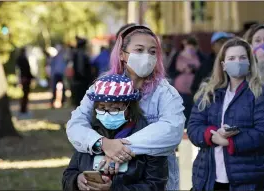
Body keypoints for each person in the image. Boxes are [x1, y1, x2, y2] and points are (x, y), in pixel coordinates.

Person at [66, 25, 185, 190]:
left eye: (152, 52)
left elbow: (172, 130)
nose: (147, 56)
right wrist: (102, 143)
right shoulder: (101, 87)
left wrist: (118, 149)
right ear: (122, 54)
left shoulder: (165, 92)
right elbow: (76, 125)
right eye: (139, 50)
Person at [187, 37, 264, 191]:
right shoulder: (209, 92)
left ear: (249, 62)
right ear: (223, 65)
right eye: (232, 58)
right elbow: (194, 127)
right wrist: (213, 135)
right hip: (208, 177)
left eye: (242, 58)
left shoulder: (260, 93)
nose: (237, 62)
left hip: (247, 179)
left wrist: (230, 142)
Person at [62, 74, 168, 191]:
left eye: (115, 108)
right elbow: (69, 174)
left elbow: (156, 185)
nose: (107, 113)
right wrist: (77, 180)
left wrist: (114, 188)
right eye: (102, 108)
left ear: (130, 107)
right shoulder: (89, 133)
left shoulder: (150, 136)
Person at [244, 23, 264, 191]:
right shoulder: (243, 72)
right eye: (257, 40)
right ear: (250, 45)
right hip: (251, 151)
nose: (263, 44)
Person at [168, 36, 208, 125]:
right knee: (180, 111)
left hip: (195, 90)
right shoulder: (178, 55)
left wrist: (193, 70)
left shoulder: (200, 56)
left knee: (193, 112)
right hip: (179, 90)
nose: (191, 49)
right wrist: (181, 70)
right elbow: (170, 71)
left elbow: (204, 70)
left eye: (193, 47)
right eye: (189, 46)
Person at [71, 37, 97, 107]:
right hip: (82, 80)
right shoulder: (81, 54)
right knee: (81, 96)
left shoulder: (77, 53)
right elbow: (80, 68)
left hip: (79, 79)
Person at [16, 47, 33, 117]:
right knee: (25, 94)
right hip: (25, 79)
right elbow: (24, 70)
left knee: (25, 94)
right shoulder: (22, 59)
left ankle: (24, 109)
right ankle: (23, 110)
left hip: (25, 78)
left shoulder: (21, 58)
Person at [50, 44, 67, 108]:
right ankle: (53, 102)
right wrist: (52, 74)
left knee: (64, 89)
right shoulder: (54, 57)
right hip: (56, 74)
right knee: (54, 89)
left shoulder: (64, 57)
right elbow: (52, 66)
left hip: (62, 74)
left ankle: (63, 102)